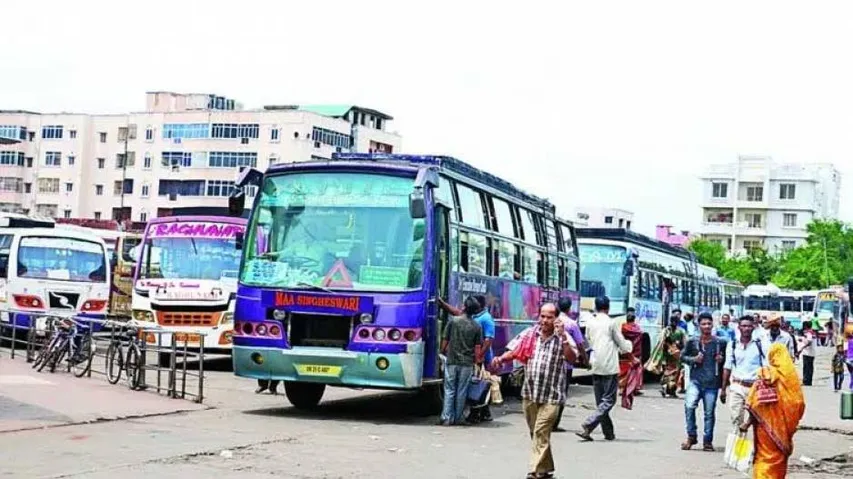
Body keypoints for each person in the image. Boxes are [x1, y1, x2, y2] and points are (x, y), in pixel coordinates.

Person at [491, 303, 577, 479]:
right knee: (536, 433)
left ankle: (534, 471)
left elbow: (572, 358)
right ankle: (545, 469)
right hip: (530, 393)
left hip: (552, 396)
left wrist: (563, 338)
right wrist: (500, 359)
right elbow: (515, 351)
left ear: (556, 319)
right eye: (542, 316)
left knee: (540, 431)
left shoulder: (563, 337)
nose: (545, 321)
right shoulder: (530, 334)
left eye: (549, 317)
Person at [576, 296, 633, 441]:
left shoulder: (590, 322)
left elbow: (588, 339)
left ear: (595, 306)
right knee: (609, 400)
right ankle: (589, 423)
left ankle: (608, 433)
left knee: (601, 401)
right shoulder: (611, 323)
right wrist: (629, 346)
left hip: (596, 363)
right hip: (608, 365)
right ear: (608, 308)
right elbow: (621, 342)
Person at [745, 343, 806, 479]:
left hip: (764, 427)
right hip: (784, 428)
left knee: (764, 457)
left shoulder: (765, 374)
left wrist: (747, 423)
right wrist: (790, 421)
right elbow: (799, 403)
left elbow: (754, 402)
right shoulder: (792, 379)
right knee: (778, 458)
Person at [438, 295, 495, 423]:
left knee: (449, 389)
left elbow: (445, 340)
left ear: (464, 307)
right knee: (462, 390)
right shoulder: (476, 326)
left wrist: (442, 352)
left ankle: (447, 418)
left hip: (452, 360)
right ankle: (458, 418)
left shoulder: (453, 321)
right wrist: (477, 360)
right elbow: (477, 347)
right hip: (467, 363)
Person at [680, 312, 725, 451]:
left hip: (712, 384)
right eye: (703, 324)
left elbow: (728, 362)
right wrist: (694, 360)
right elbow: (682, 357)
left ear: (712, 325)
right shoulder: (692, 341)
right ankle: (691, 435)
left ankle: (707, 440)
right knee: (689, 406)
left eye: (709, 324)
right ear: (699, 326)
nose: (706, 326)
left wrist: (721, 359)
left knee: (709, 413)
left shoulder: (720, 342)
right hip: (696, 381)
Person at [721, 315, 766, 432]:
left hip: (755, 387)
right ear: (739, 328)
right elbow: (727, 366)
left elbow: (767, 366)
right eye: (744, 326)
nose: (746, 329)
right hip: (737, 386)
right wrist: (723, 389)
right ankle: (738, 448)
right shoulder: (732, 344)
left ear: (753, 328)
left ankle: (758, 449)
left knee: (757, 418)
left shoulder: (760, 344)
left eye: (749, 326)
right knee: (736, 419)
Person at [553, 296, 587, 432]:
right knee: (562, 393)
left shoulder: (553, 321)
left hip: (552, 363)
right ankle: (554, 423)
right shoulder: (572, 324)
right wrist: (585, 359)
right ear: (569, 308)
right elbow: (580, 344)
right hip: (566, 364)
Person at [649, 314, 686, 398]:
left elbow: (684, 343)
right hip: (668, 356)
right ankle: (667, 389)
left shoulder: (679, 331)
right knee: (668, 373)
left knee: (674, 374)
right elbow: (661, 343)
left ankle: (671, 391)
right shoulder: (667, 331)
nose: (673, 322)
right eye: (672, 320)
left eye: (675, 321)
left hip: (676, 356)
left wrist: (678, 348)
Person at [619, 306, 645, 408]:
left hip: (625, 353)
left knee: (623, 370)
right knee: (635, 371)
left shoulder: (623, 327)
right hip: (636, 353)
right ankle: (634, 388)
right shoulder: (638, 329)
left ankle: (622, 388)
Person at [798, 322, 816, 386]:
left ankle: (805, 381)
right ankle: (809, 381)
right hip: (812, 352)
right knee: (810, 367)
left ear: (805, 326)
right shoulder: (812, 332)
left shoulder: (809, 333)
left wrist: (802, 348)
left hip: (807, 352)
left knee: (806, 368)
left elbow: (809, 342)